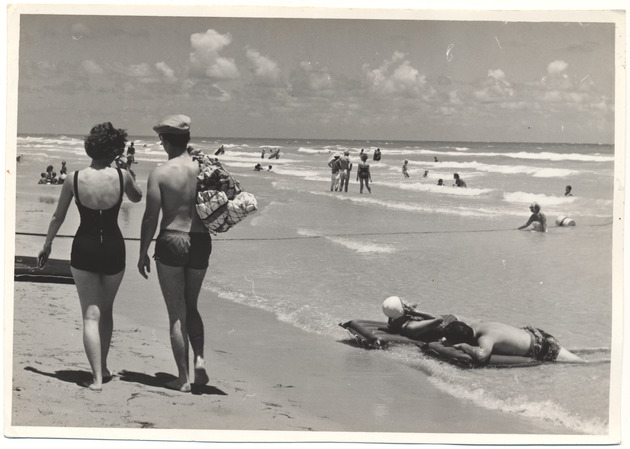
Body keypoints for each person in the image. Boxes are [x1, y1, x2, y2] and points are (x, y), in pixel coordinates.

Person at [37, 122, 143, 390]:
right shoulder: (122, 176)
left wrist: (47, 244)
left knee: (90, 315)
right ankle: (104, 368)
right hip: (114, 246)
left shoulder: (73, 178)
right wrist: (127, 169)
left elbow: (58, 216)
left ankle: (97, 376)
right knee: (106, 311)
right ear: (115, 149)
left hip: (84, 246)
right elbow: (138, 197)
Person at [138, 114, 212, 392]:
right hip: (201, 239)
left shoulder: (161, 172)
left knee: (176, 313)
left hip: (172, 238)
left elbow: (150, 217)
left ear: (166, 141)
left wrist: (143, 251)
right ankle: (200, 359)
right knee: (191, 305)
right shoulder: (203, 167)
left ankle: (182, 379)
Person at [442, 320, 585, 364]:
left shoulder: (485, 338)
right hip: (535, 334)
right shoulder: (479, 325)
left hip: (543, 347)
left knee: (580, 363)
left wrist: (465, 347)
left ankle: (605, 363)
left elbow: (482, 355)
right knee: (571, 355)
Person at [382, 296, 455, 341]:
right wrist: (415, 312)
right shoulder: (411, 327)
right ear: (403, 309)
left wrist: (408, 308)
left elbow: (394, 310)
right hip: (449, 325)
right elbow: (439, 320)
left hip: (440, 322)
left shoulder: (394, 321)